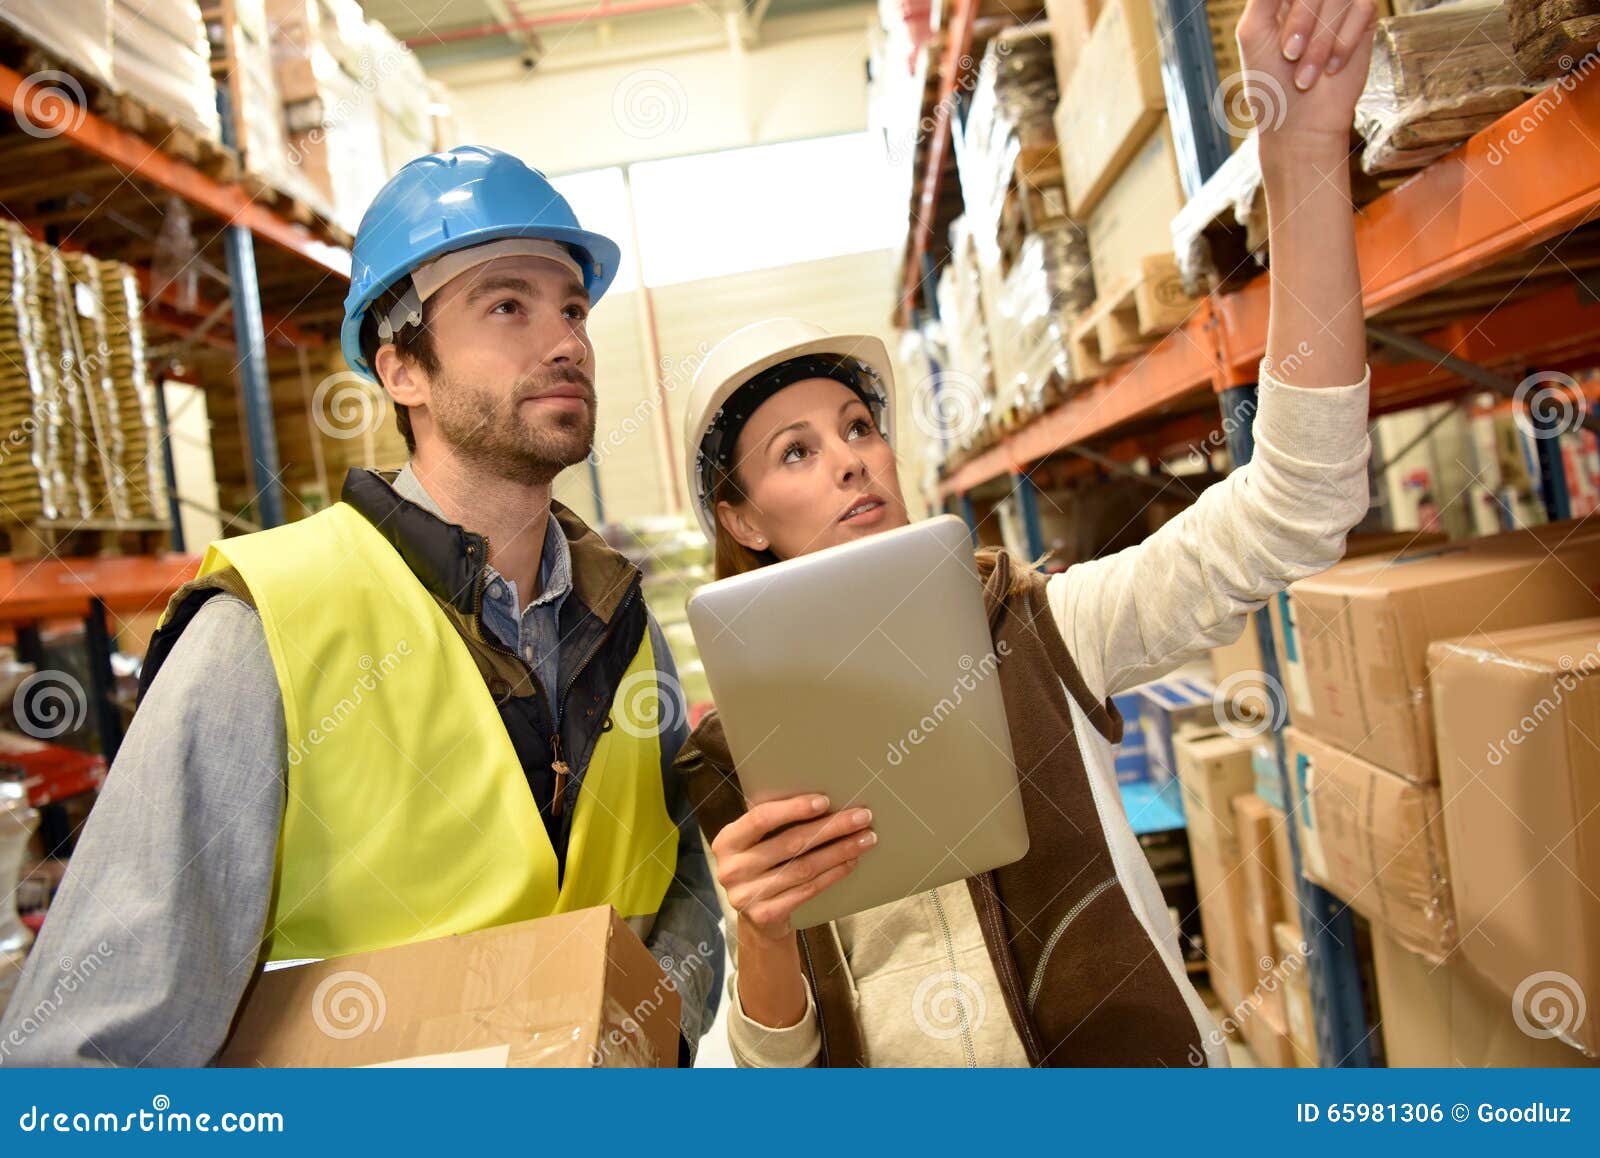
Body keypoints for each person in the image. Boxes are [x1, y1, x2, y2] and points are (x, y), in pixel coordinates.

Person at [674, 0, 1378, 1066]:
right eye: (795, 453)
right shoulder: (735, 759)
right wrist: (763, 933)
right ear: (739, 518)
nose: (853, 457)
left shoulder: (1044, 631)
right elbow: (760, 1080)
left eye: (858, 426)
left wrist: (1301, 149)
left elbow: (1294, 508)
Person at [0, 146, 722, 1066]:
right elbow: (85, 1049)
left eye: (574, 309)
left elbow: (682, 885)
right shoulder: (265, 629)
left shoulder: (624, 622)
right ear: (401, 370)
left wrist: (649, 1030)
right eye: (508, 305)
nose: (567, 342)